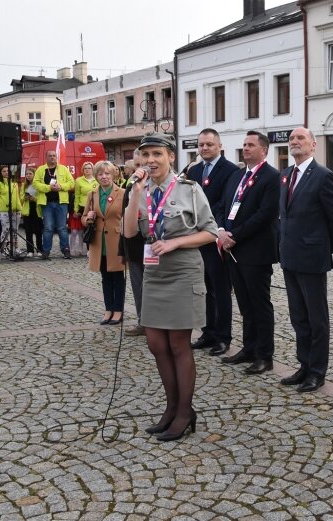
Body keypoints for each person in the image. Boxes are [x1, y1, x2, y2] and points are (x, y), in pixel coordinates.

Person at [123, 133, 218, 442]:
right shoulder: (141, 189)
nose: (150, 160)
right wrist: (135, 193)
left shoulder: (189, 190)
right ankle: (171, 406)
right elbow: (128, 232)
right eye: (146, 154)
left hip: (183, 268)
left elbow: (210, 232)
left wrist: (176, 241)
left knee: (178, 343)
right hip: (154, 271)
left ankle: (183, 412)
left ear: (170, 157)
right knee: (155, 344)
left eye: (157, 154)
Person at [278, 127, 333, 392]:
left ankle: (317, 371)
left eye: (300, 138)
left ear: (313, 145)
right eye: (292, 139)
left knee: (317, 318)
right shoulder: (285, 175)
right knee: (298, 316)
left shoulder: (323, 176)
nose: (295, 142)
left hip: (312, 256)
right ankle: (303, 365)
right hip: (290, 256)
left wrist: (323, 247)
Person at [219, 131, 280, 374]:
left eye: (250, 145)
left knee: (259, 305)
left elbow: (265, 215)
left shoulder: (271, 177)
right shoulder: (237, 176)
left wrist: (235, 236)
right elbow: (225, 206)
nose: (245, 148)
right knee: (244, 304)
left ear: (263, 150)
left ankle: (265, 355)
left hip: (256, 251)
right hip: (233, 250)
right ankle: (248, 348)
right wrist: (222, 230)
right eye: (244, 144)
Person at [187, 128, 240, 356]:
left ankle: (222, 337)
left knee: (220, 290)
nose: (204, 148)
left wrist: (213, 226)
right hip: (196, 237)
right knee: (202, 289)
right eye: (201, 145)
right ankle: (207, 332)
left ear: (219, 146)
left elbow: (224, 203)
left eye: (209, 144)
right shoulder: (194, 170)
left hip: (215, 236)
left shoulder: (229, 170)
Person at [83, 161, 126, 325]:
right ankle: (108, 309)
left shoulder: (122, 193)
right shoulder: (92, 194)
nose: (104, 176)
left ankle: (118, 311)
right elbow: (84, 216)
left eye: (107, 173)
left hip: (116, 240)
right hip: (98, 241)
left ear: (113, 174)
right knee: (105, 277)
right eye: (100, 174)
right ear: (96, 176)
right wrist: (88, 219)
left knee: (117, 277)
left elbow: (129, 215)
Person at [118, 148, 146, 337]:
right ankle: (142, 321)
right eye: (136, 165)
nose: (139, 169)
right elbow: (124, 217)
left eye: (141, 164)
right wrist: (123, 250)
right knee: (138, 285)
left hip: (158, 246)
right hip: (135, 245)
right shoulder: (130, 187)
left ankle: (160, 323)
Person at [33, 150, 75, 260]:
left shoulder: (64, 169)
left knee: (62, 228)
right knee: (48, 228)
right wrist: (48, 188)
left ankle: (66, 250)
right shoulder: (40, 169)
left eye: (54, 156)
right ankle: (46, 251)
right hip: (46, 203)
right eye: (50, 156)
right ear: (46, 157)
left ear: (57, 157)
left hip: (61, 203)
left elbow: (71, 182)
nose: (52, 157)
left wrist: (61, 186)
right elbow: (35, 183)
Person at [0, 165, 22, 258]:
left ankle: (15, 248)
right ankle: (3, 249)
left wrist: (19, 206)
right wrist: (0, 206)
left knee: (15, 230)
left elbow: (18, 195)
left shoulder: (14, 183)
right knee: (5, 230)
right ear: (0, 173)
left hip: (16, 209)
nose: (6, 172)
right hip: (4, 210)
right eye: (4, 171)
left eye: (7, 171)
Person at [72, 162, 98, 257]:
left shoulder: (97, 180)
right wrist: (75, 209)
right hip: (84, 207)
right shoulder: (79, 180)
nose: (87, 170)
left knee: (97, 228)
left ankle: (96, 248)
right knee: (87, 228)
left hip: (95, 206)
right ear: (83, 170)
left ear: (93, 169)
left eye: (89, 168)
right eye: (85, 168)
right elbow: (77, 195)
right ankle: (88, 249)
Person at [21, 163, 43, 257]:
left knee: (38, 231)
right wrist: (25, 197)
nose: (28, 176)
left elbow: (42, 197)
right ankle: (30, 250)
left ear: (34, 175)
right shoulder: (24, 185)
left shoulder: (38, 185)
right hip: (27, 211)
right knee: (28, 232)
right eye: (27, 174)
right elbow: (21, 197)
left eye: (30, 174)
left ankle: (39, 249)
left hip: (36, 210)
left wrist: (35, 199)